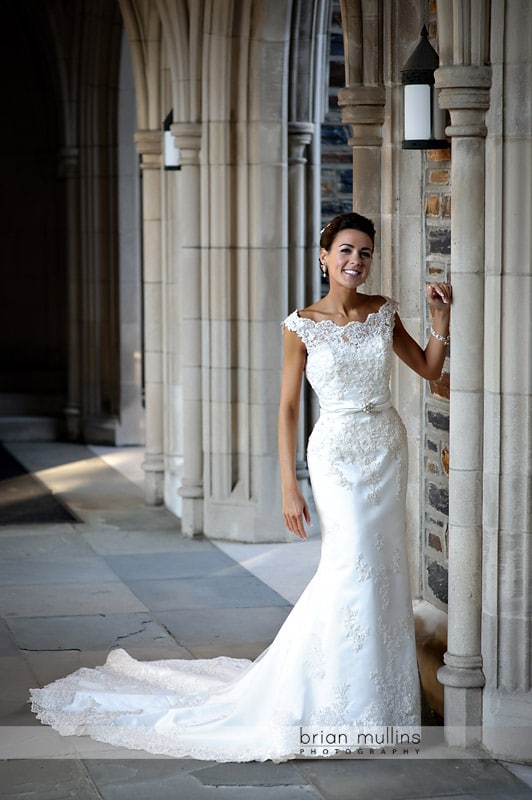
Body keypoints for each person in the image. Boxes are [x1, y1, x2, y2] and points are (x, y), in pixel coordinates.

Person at [30, 211, 451, 762]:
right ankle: (336, 703)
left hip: (385, 448)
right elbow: (287, 408)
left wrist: (442, 319)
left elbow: (426, 367)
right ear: (324, 257)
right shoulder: (301, 324)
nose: (356, 262)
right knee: (351, 566)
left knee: (386, 567)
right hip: (336, 454)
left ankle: (383, 704)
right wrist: (288, 485)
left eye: (365, 253)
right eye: (346, 251)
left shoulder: (384, 312)